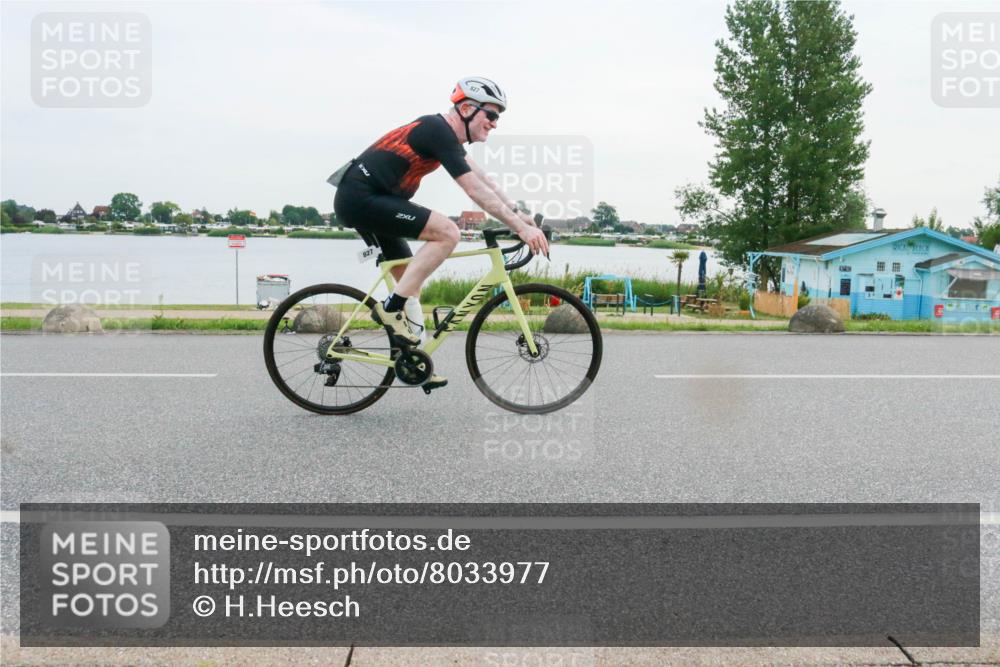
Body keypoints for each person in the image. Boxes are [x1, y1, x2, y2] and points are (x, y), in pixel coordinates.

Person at [332, 76, 548, 389]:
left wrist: (520, 216)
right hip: (360, 198)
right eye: (492, 115)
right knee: (447, 232)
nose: (495, 123)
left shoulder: (449, 139)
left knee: (410, 281)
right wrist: (521, 231)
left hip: (375, 200)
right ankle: (390, 310)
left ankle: (414, 360)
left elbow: (484, 179)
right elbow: (473, 190)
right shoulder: (436, 130)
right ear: (466, 108)